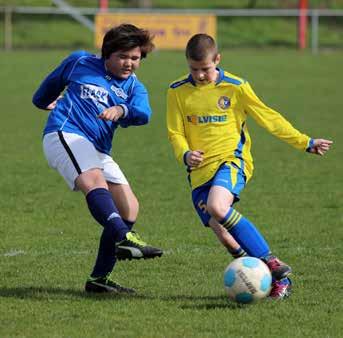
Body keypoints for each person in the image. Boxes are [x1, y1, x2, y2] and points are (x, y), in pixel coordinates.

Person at [166, 33, 332, 300]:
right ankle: (271, 280)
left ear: (218, 60)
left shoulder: (235, 86)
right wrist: (185, 154)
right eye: (194, 69)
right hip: (198, 172)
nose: (199, 75)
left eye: (205, 69)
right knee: (223, 234)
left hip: (231, 160)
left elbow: (268, 117)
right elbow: (175, 132)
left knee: (218, 207)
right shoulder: (176, 90)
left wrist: (305, 142)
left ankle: (270, 260)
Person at [32, 24, 163, 294]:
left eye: (135, 58)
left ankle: (99, 280)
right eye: (123, 56)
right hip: (64, 134)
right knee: (93, 180)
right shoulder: (79, 61)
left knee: (129, 208)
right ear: (107, 53)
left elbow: (144, 113)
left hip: (96, 149)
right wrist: (47, 102)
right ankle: (125, 238)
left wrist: (121, 109)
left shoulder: (134, 88)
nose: (129, 63)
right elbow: (42, 95)